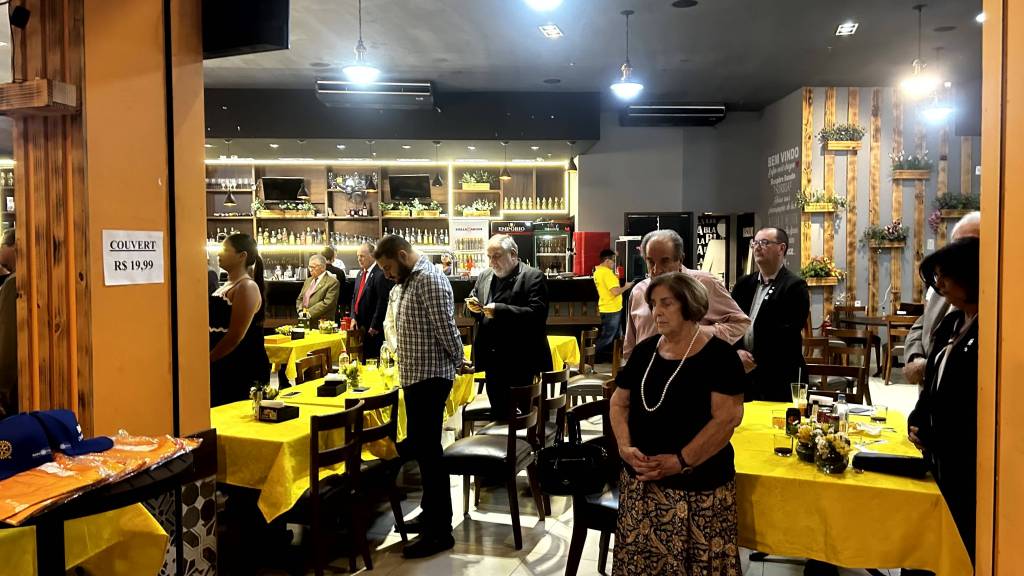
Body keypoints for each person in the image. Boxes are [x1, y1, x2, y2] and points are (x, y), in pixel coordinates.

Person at [610, 272, 745, 575]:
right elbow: (619, 402)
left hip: (698, 489)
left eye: (666, 303)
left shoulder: (720, 356)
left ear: (690, 305)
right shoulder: (645, 351)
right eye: (653, 304)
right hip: (642, 486)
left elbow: (727, 420)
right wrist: (624, 447)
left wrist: (680, 461)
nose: (656, 312)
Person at [373, 234, 471, 559]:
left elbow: (446, 328)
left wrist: (459, 361)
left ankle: (440, 531)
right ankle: (431, 513)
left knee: (429, 454)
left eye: (388, 267)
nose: (387, 274)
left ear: (402, 255)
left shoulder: (429, 278)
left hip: (431, 377)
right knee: (422, 449)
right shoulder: (408, 280)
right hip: (415, 377)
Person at [908, 237, 980, 566]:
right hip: (937, 451)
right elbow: (934, 379)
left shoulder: (991, 327)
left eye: (945, 276)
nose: (940, 285)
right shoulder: (952, 321)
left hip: (964, 454)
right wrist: (918, 416)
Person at [623, 229, 749, 360]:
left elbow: (741, 323)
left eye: (664, 261)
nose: (656, 269)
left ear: (680, 259)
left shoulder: (704, 283)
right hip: (647, 368)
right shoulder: (639, 291)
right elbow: (631, 341)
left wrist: (700, 333)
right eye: (650, 261)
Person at [466, 234, 551, 416]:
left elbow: (537, 315)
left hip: (521, 359)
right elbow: (475, 302)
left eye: (496, 256)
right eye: (489, 257)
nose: (492, 262)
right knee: (499, 412)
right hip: (492, 359)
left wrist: (500, 310)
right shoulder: (485, 276)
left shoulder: (533, 276)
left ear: (513, 254)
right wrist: (472, 307)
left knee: (523, 416)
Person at [731, 227, 810, 401]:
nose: (757, 247)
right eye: (755, 243)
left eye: (764, 242)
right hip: (744, 373)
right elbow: (729, 322)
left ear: (781, 248)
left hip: (779, 375)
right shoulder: (743, 285)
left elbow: (787, 333)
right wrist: (737, 352)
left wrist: (755, 359)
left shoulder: (795, 287)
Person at [903, 211, 980, 385]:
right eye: (957, 246)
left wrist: (930, 366)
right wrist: (916, 357)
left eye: (971, 245)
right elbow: (920, 325)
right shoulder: (939, 291)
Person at [209, 233, 271, 407]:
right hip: (224, 362)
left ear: (242, 256)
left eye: (225, 250)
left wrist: (209, 359)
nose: (218, 253)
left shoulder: (247, 286)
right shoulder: (227, 285)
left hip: (239, 365)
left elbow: (235, 336)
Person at [352, 242, 392, 360]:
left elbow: (382, 301)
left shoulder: (380, 274)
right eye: (358, 256)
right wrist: (353, 317)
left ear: (372, 256)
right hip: (360, 326)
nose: (359, 259)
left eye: (362, 256)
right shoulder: (360, 273)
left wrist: (375, 325)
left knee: (373, 360)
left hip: (373, 328)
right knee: (361, 359)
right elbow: (354, 297)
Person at [593, 248, 633, 362]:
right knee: (607, 337)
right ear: (607, 261)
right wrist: (627, 286)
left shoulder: (598, 271)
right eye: (613, 261)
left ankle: (614, 359)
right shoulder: (606, 273)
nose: (614, 263)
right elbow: (615, 292)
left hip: (607, 307)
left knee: (616, 336)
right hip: (611, 309)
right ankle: (591, 357)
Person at [295, 254, 340, 324]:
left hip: (322, 323)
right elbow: (300, 299)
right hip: (304, 321)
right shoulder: (308, 281)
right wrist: (300, 311)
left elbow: (327, 303)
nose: (310, 269)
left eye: (313, 267)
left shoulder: (332, 282)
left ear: (322, 267)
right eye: (309, 267)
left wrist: (308, 313)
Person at [0, 229, 16, 416]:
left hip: (13, 387)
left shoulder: (13, 283)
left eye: (2, 245)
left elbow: (8, 338)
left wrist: (2, 387)